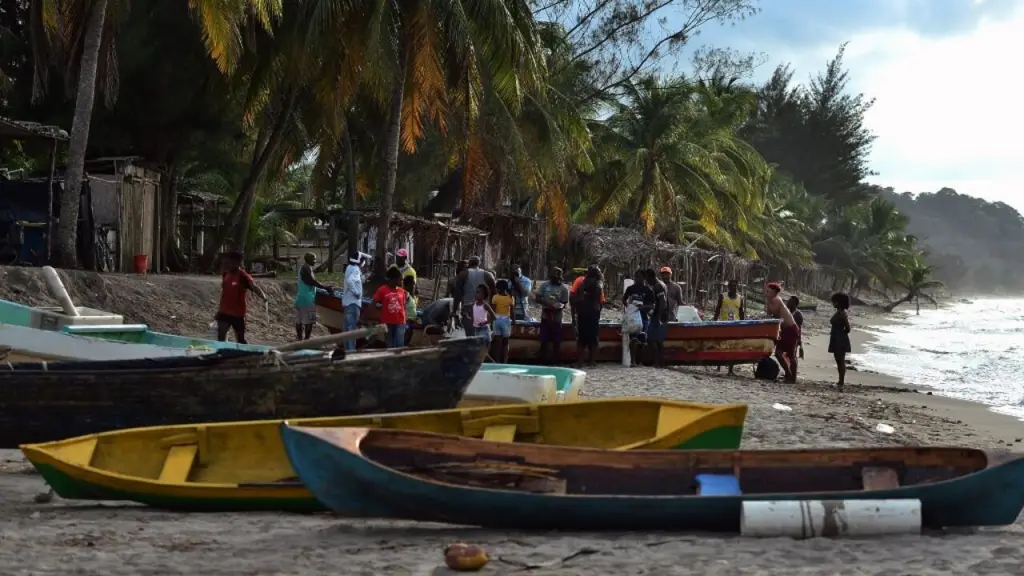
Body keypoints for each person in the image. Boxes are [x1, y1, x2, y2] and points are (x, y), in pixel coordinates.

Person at [216, 251, 267, 344]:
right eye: (228, 261)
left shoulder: (243, 276)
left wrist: (263, 296)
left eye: (231, 262)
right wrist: (219, 309)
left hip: (238, 314)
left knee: (240, 340)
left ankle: (245, 355)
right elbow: (225, 293)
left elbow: (254, 287)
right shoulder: (226, 274)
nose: (228, 264)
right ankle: (222, 354)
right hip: (224, 312)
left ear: (237, 263)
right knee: (221, 336)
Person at [765, 282, 800, 383]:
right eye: (766, 290)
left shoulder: (777, 300)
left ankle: (792, 378)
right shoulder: (770, 301)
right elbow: (769, 315)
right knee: (778, 353)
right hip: (783, 330)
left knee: (791, 355)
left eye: (769, 291)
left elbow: (772, 315)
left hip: (791, 329)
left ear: (775, 292)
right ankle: (788, 374)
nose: (766, 292)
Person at [453, 255, 496, 337]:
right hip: (483, 308)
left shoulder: (462, 275)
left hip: (468, 308)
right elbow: (494, 293)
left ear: (470, 263)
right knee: (482, 333)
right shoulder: (488, 275)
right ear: (479, 263)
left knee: (470, 335)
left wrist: (454, 311)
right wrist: (492, 308)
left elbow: (458, 294)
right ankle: (482, 348)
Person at [535, 267, 569, 364]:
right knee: (544, 339)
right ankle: (542, 359)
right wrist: (548, 304)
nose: (556, 278)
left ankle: (555, 360)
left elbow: (564, 302)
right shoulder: (544, 285)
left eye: (558, 277)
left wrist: (559, 307)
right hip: (546, 315)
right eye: (554, 276)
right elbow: (538, 298)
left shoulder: (563, 288)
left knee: (556, 340)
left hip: (557, 317)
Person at [295, 252, 331, 341]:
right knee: (308, 322)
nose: (315, 261)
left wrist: (321, 289)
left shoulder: (304, 268)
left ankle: (300, 340)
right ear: (308, 259)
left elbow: (309, 283)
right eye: (313, 259)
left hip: (300, 297)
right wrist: (325, 287)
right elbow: (311, 281)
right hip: (307, 299)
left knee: (299, 320)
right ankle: (306, 340)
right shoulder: (306, 269)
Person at [623, 269, 655, 366]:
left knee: (642, 339)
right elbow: (624, 300)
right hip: (632, 317)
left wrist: (642, 307)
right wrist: (629, 305)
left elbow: (652, 305)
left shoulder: (648, 290)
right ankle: (632, 362)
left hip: (643, 317)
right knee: (633, 339)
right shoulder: (630, 289)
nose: (637, 279)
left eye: (640, 277)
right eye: (636, 276)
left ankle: (639, 361)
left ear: (644, 278)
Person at [573, 266, 604, 367]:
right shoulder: (598, 282)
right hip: (593, 312)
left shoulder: (583, 282)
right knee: (593, 338)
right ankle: (592, 361)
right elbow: (599, 291)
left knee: (582, 338)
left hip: (583, 312)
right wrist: (596, 303)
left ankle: (580, 362)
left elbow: (579, 297)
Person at [372, 266, 408, 348]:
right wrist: (375, 317)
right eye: (400, 279)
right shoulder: (382, 290)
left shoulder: (402, 292)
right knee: (389, 344)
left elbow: (404, 307)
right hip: (387, 322)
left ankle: (398, 360)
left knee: (400, 344)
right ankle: (390, 360)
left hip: (400, 322)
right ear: (394, 279)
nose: (402, 281)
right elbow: (373, 304)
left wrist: (406, 319)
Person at [644, 268, 669, 367]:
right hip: (660, 314)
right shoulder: (660, 284)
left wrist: (658, 316)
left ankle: (658, 362)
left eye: (647, 278)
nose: (646, 281)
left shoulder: (658, 286)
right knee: (658, 340)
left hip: (660, 315)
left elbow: (662, 302)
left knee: (654, 339)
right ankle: (659, 362)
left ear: (650, 277)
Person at [829, 292, 852, 391]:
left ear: (838, 302)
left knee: (840, 360)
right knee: (838, 360)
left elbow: (848, 328)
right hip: (836, 337)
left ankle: (841, 383)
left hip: (839, 339)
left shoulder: (842, 313)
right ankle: (839, 382)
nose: (833, 303)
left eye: (834, 301)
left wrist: (841, 335)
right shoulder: (839, 311)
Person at [342, 251, 364, 351]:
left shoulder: (349, 268)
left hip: (347, 303)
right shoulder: (355, 269)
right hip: (353, 303)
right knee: (352, 330)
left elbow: (354, 280)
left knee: (347, 330)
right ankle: (351, 353)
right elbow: (350, 281)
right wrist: (356, 292)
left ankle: (347, 351)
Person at [490, 280, 515, 363]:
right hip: (506, 320)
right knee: (506, 342)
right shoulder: (510, 298)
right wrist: (514, 321)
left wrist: (491, 322)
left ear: (497, 289)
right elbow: (512, 312)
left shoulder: (495, 297)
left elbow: (492, 311)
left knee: (498, 343)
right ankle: (505, 360)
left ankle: (497, 360)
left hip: (496, 319)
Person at [786, 295, 805, 360]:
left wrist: (799, 340)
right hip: (786, 336)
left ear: (794, 304)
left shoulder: (797, 314)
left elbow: (798, 329)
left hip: (793, 338)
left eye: (790, 301)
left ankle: (792, 369)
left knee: (792, 356)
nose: (787, 303)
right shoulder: (787, 312)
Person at [402, 275, 419, 346]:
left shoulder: (412, 296)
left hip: (411, 323)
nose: (414, 286)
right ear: (408, 285)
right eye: (413, 284)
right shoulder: (405, 294)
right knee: (402, 343)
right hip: (406, 323)